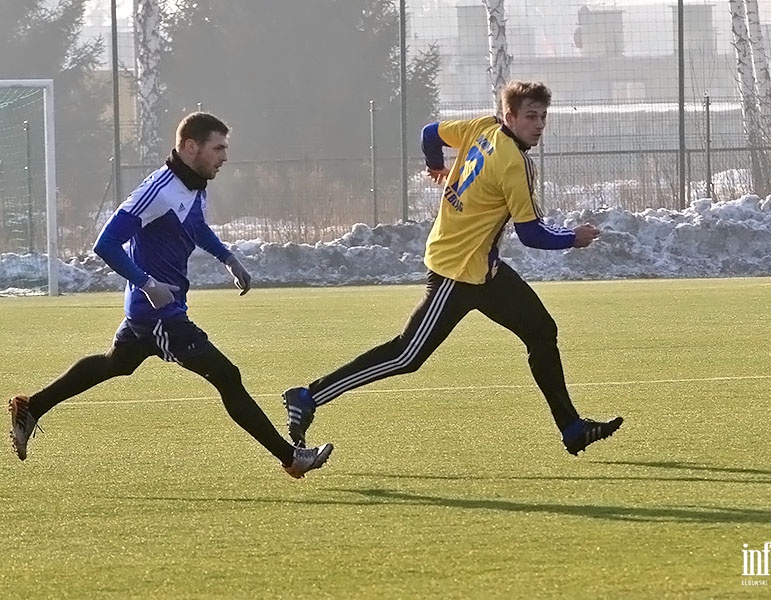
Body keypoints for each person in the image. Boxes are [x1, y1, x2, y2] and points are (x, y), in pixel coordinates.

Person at [283, 81, 623, 456]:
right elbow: (531, 233)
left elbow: (430, 134)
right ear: (509, 115)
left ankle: (572, 428)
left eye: (543, 116)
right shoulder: (515, 162)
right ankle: (308, 396)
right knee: (405, 356)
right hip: (457, 272)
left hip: (483, 270)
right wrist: (571, 237)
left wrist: (436, 166)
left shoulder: (482, 127)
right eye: (530, 116)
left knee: (542, 331)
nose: (539, 124)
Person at [9, 112, 332, 479]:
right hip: (159, 314)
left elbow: (195, 226)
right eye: (218, 148)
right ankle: (292, 458)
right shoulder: (156, 191)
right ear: (191, 147)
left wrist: (227, 257)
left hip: (156, 309)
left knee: (117, 363)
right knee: (228, 376)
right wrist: (147, 284)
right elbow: (107, 243)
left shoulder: (194, 185)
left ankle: (31, 406)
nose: (225, 157)